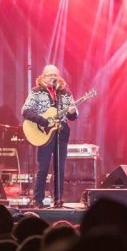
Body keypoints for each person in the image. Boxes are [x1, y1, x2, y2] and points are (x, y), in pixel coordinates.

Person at [22, 64, 78, 208]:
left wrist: (72, 112)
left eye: (55, 75)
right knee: (43, 168)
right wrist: (43, 121)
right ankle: (38, 200)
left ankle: (58, 199)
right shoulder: (36, 92)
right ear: (43, 76)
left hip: (61, 134)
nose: (53, 77)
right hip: (44, 133)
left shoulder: (65, 93)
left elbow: (73, 116)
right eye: (50, 75)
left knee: (60, 169)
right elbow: (26, 110)